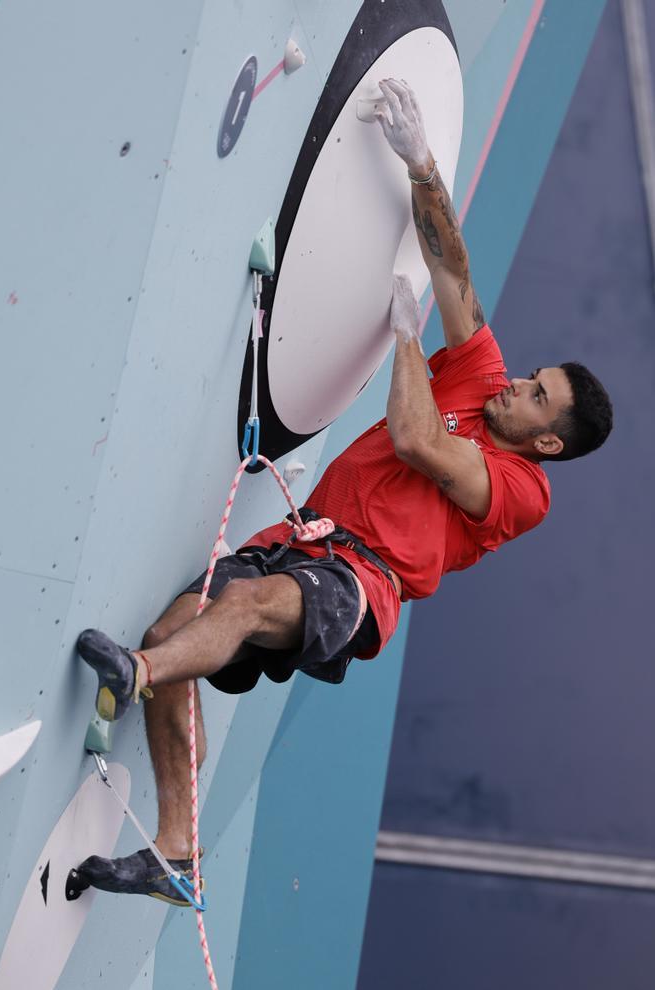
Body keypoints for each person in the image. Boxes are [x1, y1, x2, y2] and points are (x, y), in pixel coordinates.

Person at [76, 79, 613, 905]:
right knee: (181, 628)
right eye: (532, 378)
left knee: (246, 610)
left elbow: (417, 441)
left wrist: (406, 338)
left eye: (535, 397)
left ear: (546, 442)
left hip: (361, 582)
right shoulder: (483, 378)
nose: (516, 388)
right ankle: (178, 849)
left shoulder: (520, 491)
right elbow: (452, 269)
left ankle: (137, 673)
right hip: (307, 537)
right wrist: (422, 168)